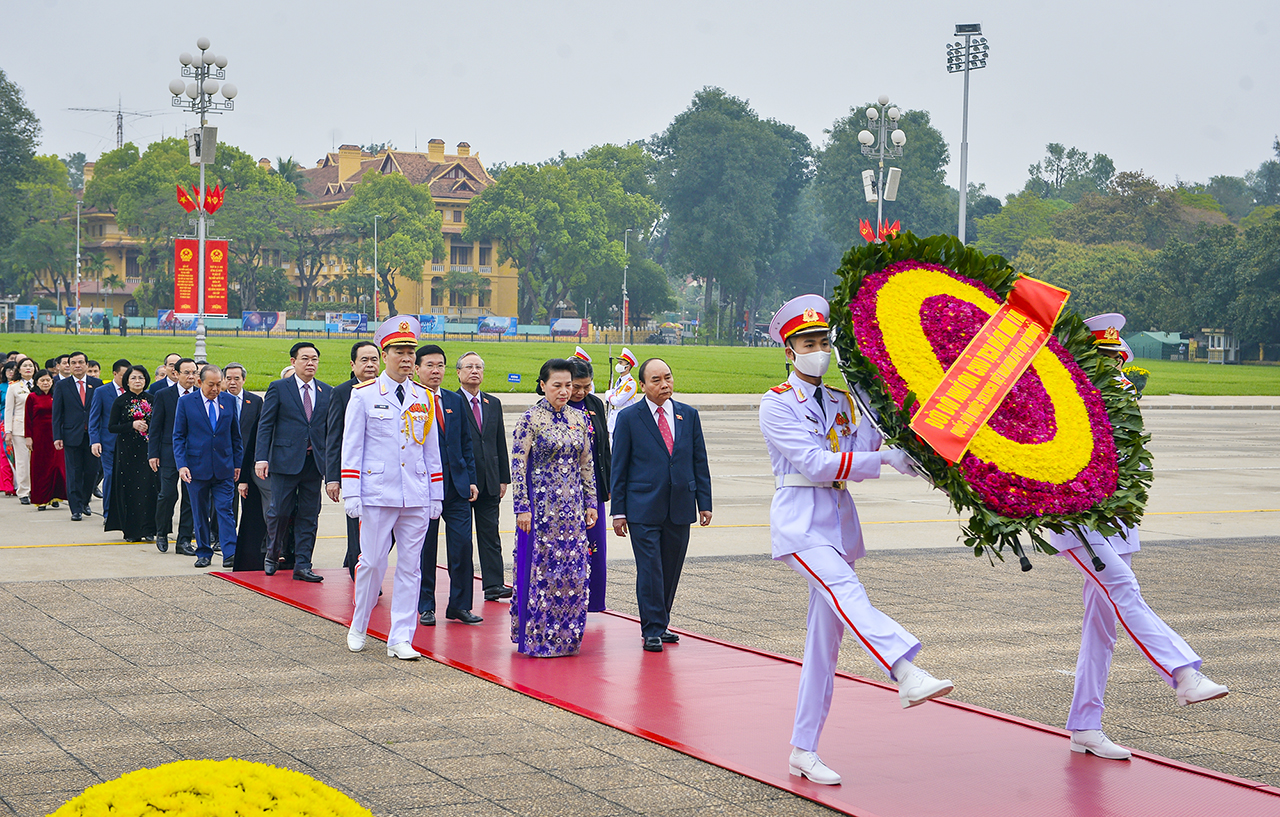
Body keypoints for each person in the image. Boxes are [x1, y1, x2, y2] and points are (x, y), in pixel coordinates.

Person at [761, 295, 954, 786]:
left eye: (824, 341)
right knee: (848, 593)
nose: (818, 350)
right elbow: (815, 464)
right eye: (808, 343)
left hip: (837, 527)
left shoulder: (842, 400)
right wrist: (883, 460)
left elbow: (866, 447)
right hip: (801, 525)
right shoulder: (778, 402)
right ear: (789, 349)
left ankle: (803, 749)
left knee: (824, 646)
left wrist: (894, 436)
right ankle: (904, 671)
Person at [1049, 313, 1228, 761]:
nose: (1115, 370)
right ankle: (1184, 673)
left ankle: (1085, 725)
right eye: (1104, 360)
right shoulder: (1063, 400)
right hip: (1075, 518)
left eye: (1117, 359)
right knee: (1124, 589)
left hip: (1114, 519)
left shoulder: (1117, 401)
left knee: (1102, 628)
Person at [342, 315, 443, 659]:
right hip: (377, 492)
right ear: (384, 355)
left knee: (411, 567)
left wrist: (436, 493)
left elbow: (431, 449)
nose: (406, 359)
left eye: (410, 352)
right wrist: (352, 491)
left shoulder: (423, 397)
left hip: (414, 493)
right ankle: (359, 622)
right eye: (398, 351)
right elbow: (352, 446)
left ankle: (400, 636)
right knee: (371, 563)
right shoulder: (365, 395)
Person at [610, 358, 712, 652]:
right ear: (642, 385)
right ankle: (651, 628)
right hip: (642, 506)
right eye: (656, 380)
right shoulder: (630, 418)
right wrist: (619, 511)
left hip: (680, 505)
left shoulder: (688, 415)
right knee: (651, 569)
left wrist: (704, 501)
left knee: (670, 568)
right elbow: (620, 467)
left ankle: (661, 621)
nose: (664, 384)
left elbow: (698, 460)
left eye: (668, 377)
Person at [510, 359, 598, 657]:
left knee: (571, 573)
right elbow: (518, 465)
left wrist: (591, 502)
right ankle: (539, 637)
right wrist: (522, 507)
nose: (564, 391)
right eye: (557, 385)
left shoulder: (578, 418)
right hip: (542, 509)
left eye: (568, 386)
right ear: (543, 385)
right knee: (543, 573)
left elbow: (587, 464)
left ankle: (567, 636)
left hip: (572, 509)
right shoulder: (531, 419)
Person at [415, 344, 481, 625]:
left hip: (456, 487)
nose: (435, 371)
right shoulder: (411, 400)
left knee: (463, 546)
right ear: (417, 368)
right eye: (429, 365)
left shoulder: (454, 401)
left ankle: (459, 604)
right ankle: (425, 604)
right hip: (424, 487)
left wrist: (472, 480)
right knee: (425, 547)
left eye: (440, 365)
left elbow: (466, 444)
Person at [255, 342, 330, 581]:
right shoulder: (279, 388)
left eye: (314, 359)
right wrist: (261, 458)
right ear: (293, 361)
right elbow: (265, 425)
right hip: (284, 461)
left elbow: (329, 430)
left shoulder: (326, 391)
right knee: (279, 511)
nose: (310, 363)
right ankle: (272, 554)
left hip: (313, 462)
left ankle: (303, 563)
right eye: (305, 358)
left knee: (310, 514)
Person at [455, 351, 512, 601]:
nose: (474, 371)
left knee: (490, 534)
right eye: (469, 367)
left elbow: (499, 441)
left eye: (479, 367)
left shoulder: (493, 403)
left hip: (490, 481)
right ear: (458, 372)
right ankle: (464, 586)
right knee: (463, 540)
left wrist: (503, 478)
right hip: (463, 483)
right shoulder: (451, 402)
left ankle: (494, 584)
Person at [174, 365, 242, 569]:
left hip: (223, 467)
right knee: (200, 511)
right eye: (211, 384)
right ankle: (204, 552)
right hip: (196, 468)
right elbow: (178, 436)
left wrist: (237, 464)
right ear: (199, 383)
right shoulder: (186, 402)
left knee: (225, 509)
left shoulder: (228, 400)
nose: (215, 389)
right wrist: (182, 465)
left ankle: (230, 552)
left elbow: (235, 436)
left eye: (218, 384)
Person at [324, 341, 382, 580]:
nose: (370, 365)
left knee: (385, 532)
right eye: (364, 360)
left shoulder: (386, 388)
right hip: (355, 474)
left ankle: (354, 561)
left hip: (384, 474)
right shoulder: (342, 392)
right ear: (353, 364)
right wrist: (333, 478)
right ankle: (361, 577)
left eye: (374, 359)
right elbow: (334, 438)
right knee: (357, 529)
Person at [568, 356, 611, 611]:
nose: (581, 392)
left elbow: (604, 448)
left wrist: (607, 485)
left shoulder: (595, 404)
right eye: (576, 386)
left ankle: (593, 602)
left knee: (594, 545)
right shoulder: (556, 406)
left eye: (586, 386)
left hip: (593, 488)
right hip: (564, 488)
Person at [148, 358, 199, 555]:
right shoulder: (163, 395)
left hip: (194, 454)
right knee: (167, 494)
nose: (191, 376)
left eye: (194, 372)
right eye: (187, 372)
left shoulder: (200, 395)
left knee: (191, 497)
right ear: (176, 374)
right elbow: (156, 426)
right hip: (168, 452)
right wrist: (153, 453)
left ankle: (184, 540)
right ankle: (161, 531)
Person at [105, 365, 158, 543]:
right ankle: (132, 530)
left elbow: (160, 423)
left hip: (148, 449)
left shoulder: (152, 399)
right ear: (127, 380)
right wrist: (131, 425)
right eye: (134, 378)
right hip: (127, 451)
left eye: (141, 378)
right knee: (129, 489)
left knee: (149, 488)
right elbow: (112, 427)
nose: (137, 381)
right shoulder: (120, 401)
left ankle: (149, 528)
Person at [51, 351, 103, 521]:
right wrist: (57, 436)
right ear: (69, 365)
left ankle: (85, 500)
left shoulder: (96, 384)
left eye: (81, 362)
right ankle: (76, 508)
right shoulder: (62, 385)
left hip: (93, 435)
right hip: (71, 435)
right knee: (73, 472)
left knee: (91, 472)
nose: (77, 365)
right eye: (73, 363)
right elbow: (57, 413)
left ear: (87, 365)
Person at [89, 359, 130, 524]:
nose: (127, 380)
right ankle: (108, 514)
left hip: (129, 443)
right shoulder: (102, 391)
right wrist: (95, 440)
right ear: (114, 374)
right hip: (108, 443)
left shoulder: (133, 391)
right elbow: (94, 418)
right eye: (123, 376)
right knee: (111, 476)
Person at [24, 370, 66, 510]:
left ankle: (54, 496)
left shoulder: (57, 396)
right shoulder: (32, 397)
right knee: (40, 468)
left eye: (48, 380)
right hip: (39, 437)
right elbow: (27, 418)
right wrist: (28, 437)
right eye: (42, 380)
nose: (45, 383)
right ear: (36, 382)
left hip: (55, 436)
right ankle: (41, 499)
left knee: (57, 467)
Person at [5, 357, 37, 504]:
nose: (28, 368)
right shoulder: (14, 387)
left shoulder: (40, 384)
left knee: (37, 461)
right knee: (23, 461)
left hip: (39, 428)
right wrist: (8, 431)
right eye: (25, 366)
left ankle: (37, 490)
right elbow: (8, 410)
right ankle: (24, 491)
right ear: (19, 370)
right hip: (20, 429)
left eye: (31, 365)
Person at [604, 347, 642, 443]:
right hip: (614, 416)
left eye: (621, 363)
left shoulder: (630, 383)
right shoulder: (620, 381)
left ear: (627, 367)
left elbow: (618, 401)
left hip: (622, 417)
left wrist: (608, 394)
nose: (618, 365)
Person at [0, 362, 16, 497]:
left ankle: (19, 484)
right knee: (5, 454)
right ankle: (8, 485)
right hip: (3, 422)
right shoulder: (1, 387)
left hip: (19, 422)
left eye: (14, 370)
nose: (11, 372)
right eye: (8, 370)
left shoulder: (21, 386)